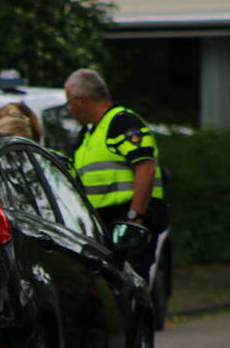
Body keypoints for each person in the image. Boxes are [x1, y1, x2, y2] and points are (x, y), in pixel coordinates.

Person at [64, 68, 168, 275]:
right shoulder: (88, 134)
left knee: (131, 288)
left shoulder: (122, 123)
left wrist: (134, 218)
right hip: (104, 226)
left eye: (69, 103)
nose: (69, 110)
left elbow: (145, 167)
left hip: (126, 223)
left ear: (81, 100)